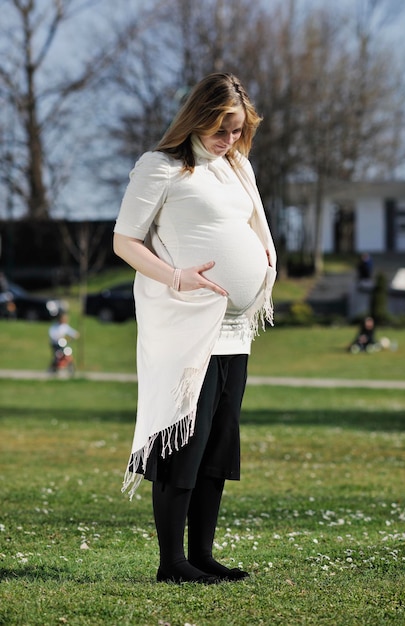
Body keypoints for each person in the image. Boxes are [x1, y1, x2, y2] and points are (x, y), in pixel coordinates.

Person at [113, 73, 277, 585]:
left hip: (235, 330)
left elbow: (247, 228)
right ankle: (172, 562)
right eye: (220, 128)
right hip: (190, 327)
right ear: (198, 117)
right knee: (184, 442)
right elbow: (125, 241)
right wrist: (178, 277)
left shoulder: (237, 169)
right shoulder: (160, 168)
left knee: (216, 448)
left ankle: (202, 556)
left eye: (236, 130)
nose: (227, 139)